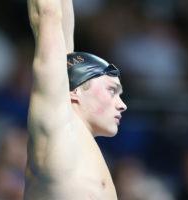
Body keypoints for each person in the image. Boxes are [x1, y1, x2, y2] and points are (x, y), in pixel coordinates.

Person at [24, 0, 127, 199]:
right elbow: (49, 16)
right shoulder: (57, 130)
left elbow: (65, 49)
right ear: (75, 92)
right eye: (112, 90)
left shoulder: (78, 141)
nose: (122, 104)